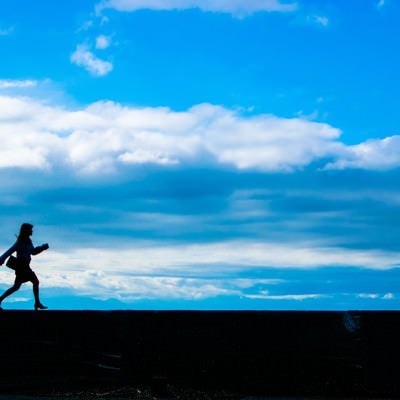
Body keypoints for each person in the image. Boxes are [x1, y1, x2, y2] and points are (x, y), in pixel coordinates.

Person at [0, 223, 49, 311]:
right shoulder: (20, 242)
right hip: (22, 267)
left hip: (24, 266)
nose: (32, 231)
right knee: (35, 281)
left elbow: (33, 252)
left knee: (16, 287)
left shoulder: (28, 241)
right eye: (30, 229)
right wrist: (1, 259)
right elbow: (10, 250)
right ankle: (37, 303)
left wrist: (42, 248)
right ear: (26, 231)